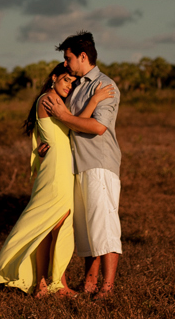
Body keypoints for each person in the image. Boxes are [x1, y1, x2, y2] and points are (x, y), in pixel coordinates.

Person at [0, 63, 115, 298]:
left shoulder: (52, 99)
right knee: (56, 224)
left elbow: (64, 127)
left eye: (72, 82)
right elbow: (74, 123)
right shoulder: (49, 100)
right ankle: (55, 285)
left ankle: (45, 284)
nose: (69, 86)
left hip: (59, 167)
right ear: (54, 78)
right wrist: (94, 100)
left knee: (50, 225)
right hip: (56, 171)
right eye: (65, 80)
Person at [41, 31, 123, 299]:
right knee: (87, 229)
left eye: (68, 58)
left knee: (105, 225)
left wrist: (64, 116)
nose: (65, 64)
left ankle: (107, 287)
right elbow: (68, 125)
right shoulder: (76, 85)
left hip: (99, 163)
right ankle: (89, 282)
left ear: (83, 56)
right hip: (76, 165)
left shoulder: (104, 85)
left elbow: (98, 127)